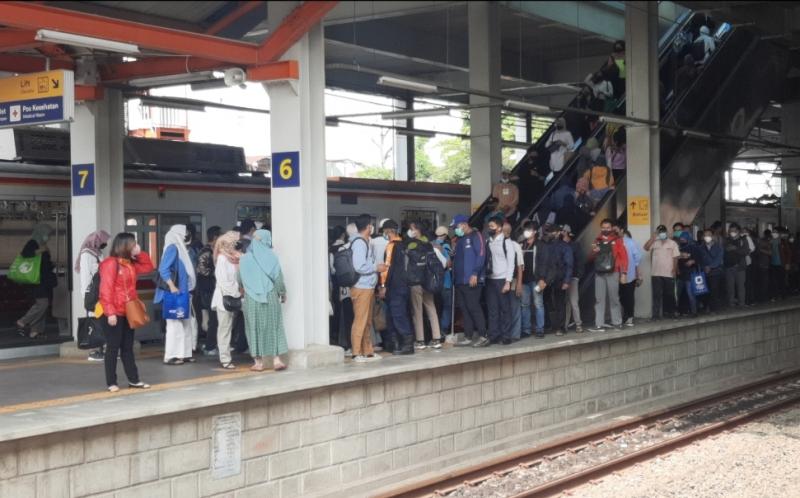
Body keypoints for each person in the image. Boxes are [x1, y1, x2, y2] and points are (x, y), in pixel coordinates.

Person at [98, 232, 154, 392]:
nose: (136, 247)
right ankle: (111, 382)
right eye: (133, 244)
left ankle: (134, 380)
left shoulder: (130, 264)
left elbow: (148, 267)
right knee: (113, 347)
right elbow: (105, 290)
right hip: (113, 312)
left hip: (128, 310)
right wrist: (110, 313)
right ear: (125, 246)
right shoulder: (110, 264)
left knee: (127, 347)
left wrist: (140, 253)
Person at [239, 229, 288, 372]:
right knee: (274, 326)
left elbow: (239, 279)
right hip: (270, 296)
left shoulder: (244, 259)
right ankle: (276, 360)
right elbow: (278, 279)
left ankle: (258, 362)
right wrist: (282, 293)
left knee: (253, 328)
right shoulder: (271, 257)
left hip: (251, 299)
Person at [156, 224, 197, 365]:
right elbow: (163, 269)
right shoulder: (172, 248)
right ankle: (171, 355)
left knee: (185, 324)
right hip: (174, 293)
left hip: (184, 292)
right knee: (174, 325)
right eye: (185, 233)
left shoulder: (181, 249)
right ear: (178, 235)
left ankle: (185, 353)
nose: (187, 236)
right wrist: (172, 286)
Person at [349, 214, 384, 362]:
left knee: (367, 321)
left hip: (367, 287)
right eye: (371, 225)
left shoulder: (365, 241)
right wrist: (377, 268)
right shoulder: (359, 243)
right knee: (360, 320)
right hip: (361, 287)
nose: (372, 227)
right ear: (368, 227)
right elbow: (359, 266)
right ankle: (356, 353)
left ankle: (368, 351)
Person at [450, 215, 489, 347]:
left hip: (472, 279)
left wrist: (475, 273)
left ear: (464, 224)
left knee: (474, 307)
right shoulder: (460, 240)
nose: (455, 229)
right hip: (460, 280)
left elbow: (481, 255)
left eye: (456, 226)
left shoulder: (476, 235)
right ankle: (468, 336)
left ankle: (483, 336)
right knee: (465, 309)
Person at [15, 224, 57, 340]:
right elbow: (25, 254)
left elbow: (45, 263)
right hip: (36, 280)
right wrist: (40, 250)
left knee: (44, 305)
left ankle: (36, 331)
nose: (48, 237)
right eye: (46, 234)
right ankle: (22, 321)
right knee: (42, 303)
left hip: (44, 280)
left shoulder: (42, 244)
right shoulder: (33, 243)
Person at [406, 221, 444, 350]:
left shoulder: (411, 245)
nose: (410, 231)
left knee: (417, 311)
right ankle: (436, 338)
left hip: (415, 282)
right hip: (428, 282)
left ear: (417, 230)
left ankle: (420, 340)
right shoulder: (429, 244)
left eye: (412, 228)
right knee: (431, 307)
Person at [76, 230, 111, 361]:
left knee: (101, 318)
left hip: (100, 291)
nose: (105, 243)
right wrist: (88, 295)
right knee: (94, 319)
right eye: (103, 241)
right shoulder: (87, 254)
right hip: (92, 293)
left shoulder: (97, 253)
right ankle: (95, 350)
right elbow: (85, 276)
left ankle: (102, 348)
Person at [379, 219, 414, 355]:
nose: (384, 233)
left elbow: (387, 269)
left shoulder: (392, 246)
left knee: (397, 316)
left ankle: (406, 345)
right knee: (396, 315)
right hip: (404, 285)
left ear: (389, 231)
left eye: (384, 231)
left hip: (394, 286)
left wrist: (383, 285)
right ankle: (398, 344)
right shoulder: (404, 244)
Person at [589, 219, 628, 332]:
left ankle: (617, 322)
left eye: (608, 227)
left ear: (611, 228)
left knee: (614, 298)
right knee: (599, 299)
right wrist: (594, 251)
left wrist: (623, 273)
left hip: (613, 272)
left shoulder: (617, 240)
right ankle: (599, 324)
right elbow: (590, 258)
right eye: (603, 227)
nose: (605, 230)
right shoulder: (597, 240)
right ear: (601, 228)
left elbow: (623, 257)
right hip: (599, 273)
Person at [211, 230, 241, 369]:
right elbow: (223, 281)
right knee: (224, 328)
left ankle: (226, 354)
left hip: (232, 296)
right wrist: (237, 291)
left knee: (228, 327)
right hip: (224, 298)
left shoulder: (234, 258)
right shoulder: (223, 259)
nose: (236, 245)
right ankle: (225, 358)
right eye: (234, 243)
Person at [536, 225, 572, 336]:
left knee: (559, 303)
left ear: (557, 233)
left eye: (551, 232)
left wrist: (566, 281)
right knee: (545, 302)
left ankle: (561, 327)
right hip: (546, 279)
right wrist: (541, 278)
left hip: (559, 278)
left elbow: (569, 265)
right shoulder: (545, 246)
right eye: (548, 232)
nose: (549, 234)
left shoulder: (565, 247)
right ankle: (548, 325)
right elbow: (541, 263)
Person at [485, 217, 516, 345]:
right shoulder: (488, 241)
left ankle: (506, 336)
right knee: (492, 309)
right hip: (490, 279)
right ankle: (494, 335)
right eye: (489, 226)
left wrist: (508, 282)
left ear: (499, 228)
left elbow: (511, 263)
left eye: (491, 226)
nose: (489, 228)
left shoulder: (507, 242)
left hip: (502, 279)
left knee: (505, 309)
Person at [644, 225, 680, 320]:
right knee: (656, 295)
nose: (662, 234)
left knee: (669, 294)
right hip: (656, 273)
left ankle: (671, 312)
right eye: (660, 232)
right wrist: (653, 237)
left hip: (669, 273)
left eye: (663, 232)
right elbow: (646, 248)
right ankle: (655, 315)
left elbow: (675, 257)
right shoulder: (655, 242)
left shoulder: (673, 243)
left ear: (666, 232)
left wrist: (674, 269)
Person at [197, 226, 221, 357]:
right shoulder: (206, 252)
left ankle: (212, 344)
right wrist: (216, 273)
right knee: (213, 319)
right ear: (215, 238)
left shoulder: (212, 251)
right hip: (208, 290)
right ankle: (210, 346)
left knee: (214, 319)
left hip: (210, 290)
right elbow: (201, 270)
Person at [520, 221, 544, 338]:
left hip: (536, 279)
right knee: (525, 305)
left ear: (535, 232)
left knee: (538, 304)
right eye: (526, 229)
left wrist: (543, 279)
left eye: (529, 229)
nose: (526, 232)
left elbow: (545, 263)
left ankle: (540, 329)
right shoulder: (522, 244)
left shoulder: (540, 245)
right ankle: (526, 329)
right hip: (523, 280)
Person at [502, 222, 525, 341]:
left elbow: (520, 266)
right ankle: (505, 332)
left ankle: (515, 334)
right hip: (500, 280)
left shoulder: (515, 245)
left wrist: (519, 284)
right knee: (504, 308)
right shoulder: (497, 243)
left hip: (514, 280)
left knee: (514, 307)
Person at [562, 225, 584, 333]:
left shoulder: (574, 245)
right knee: (566, 302)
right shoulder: (560, 245)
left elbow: (580, 261)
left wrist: (578, 275)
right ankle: (565, 325)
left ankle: (578, 324)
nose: (562, 233)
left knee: (573, 301)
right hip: (562, 278)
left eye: (563, 231)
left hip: (573, 277)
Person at [432, 226, 454, 335]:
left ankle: (434, 330)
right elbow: (449, 263)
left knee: (436, 307)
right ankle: (443, 329)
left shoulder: (430, 245)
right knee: (447, 307)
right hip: (445, 282)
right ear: (445, 235)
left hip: (433, 283)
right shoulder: (445, 246)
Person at [723, 223, 749, 308]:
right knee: (730, 287)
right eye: (731, 231)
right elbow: (723, 251)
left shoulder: (743, 240)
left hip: (740, 267)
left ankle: (741, 303)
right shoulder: (726, 240)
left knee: (741, 286)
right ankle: (731, 303)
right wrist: (727, 249)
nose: (732, 232)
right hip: (729, 267)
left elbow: (746, 251)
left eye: (734, 231)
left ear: (738, 231)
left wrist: (735, 249)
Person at [676, 231, 702, 317]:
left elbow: (699, 258)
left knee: (690, 293)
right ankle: (679, 311)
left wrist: (692, 261)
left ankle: (694, 311)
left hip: (690, 273)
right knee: (678, 294)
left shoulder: (693, 247)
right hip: (680, 274)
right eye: (681, 238)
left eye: (684, 238)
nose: (682, 239)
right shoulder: (678, 247)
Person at [620, 230, 642, 326]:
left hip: (630, 275)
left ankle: (629, 317)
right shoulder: (618, 243)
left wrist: (638, 275)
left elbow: (637, 260)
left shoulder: (631, 243)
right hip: (620, 275)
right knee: (622, 297)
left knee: (628, 296)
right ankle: (626, 316)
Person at [700, 229, 724, 311]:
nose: (707, 237)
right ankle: (705, 307)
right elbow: (699, 259)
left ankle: (714, 308)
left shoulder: (719, 247)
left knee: (714, 290)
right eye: (705, 235)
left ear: (713, 236)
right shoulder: (700, 247)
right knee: (704, 291)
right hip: (704, 272)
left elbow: (718, 259)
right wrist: (704, 267)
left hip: (715, 272)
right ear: (703, 237)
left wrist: (710, 266)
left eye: (709, 235)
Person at [769, 228, 785, 301]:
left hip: (780, 263)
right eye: (773, 232)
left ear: (778, 233)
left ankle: (782, 295)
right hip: (773, 263)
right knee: (774, 281)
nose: (774, 233)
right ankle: (775, 295)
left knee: (781, 280)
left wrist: (786, 263)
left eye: (775, 232)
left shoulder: (782, 241)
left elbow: (786, 252)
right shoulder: (770, 241)